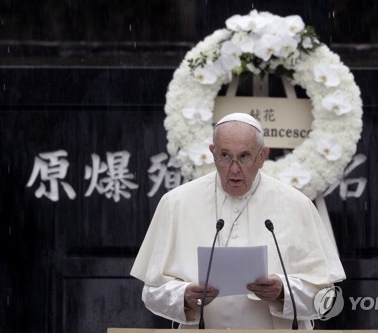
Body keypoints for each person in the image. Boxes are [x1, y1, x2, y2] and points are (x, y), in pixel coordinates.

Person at [130, 112, 345, 329]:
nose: (234, 169)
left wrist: (283, 291)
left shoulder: (297, 204)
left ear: (262, 156)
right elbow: (151, 293)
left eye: (244, 157)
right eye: (225, 156)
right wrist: (183, 296)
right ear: (212, 153)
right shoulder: (176, 203)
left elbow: (324, 298)